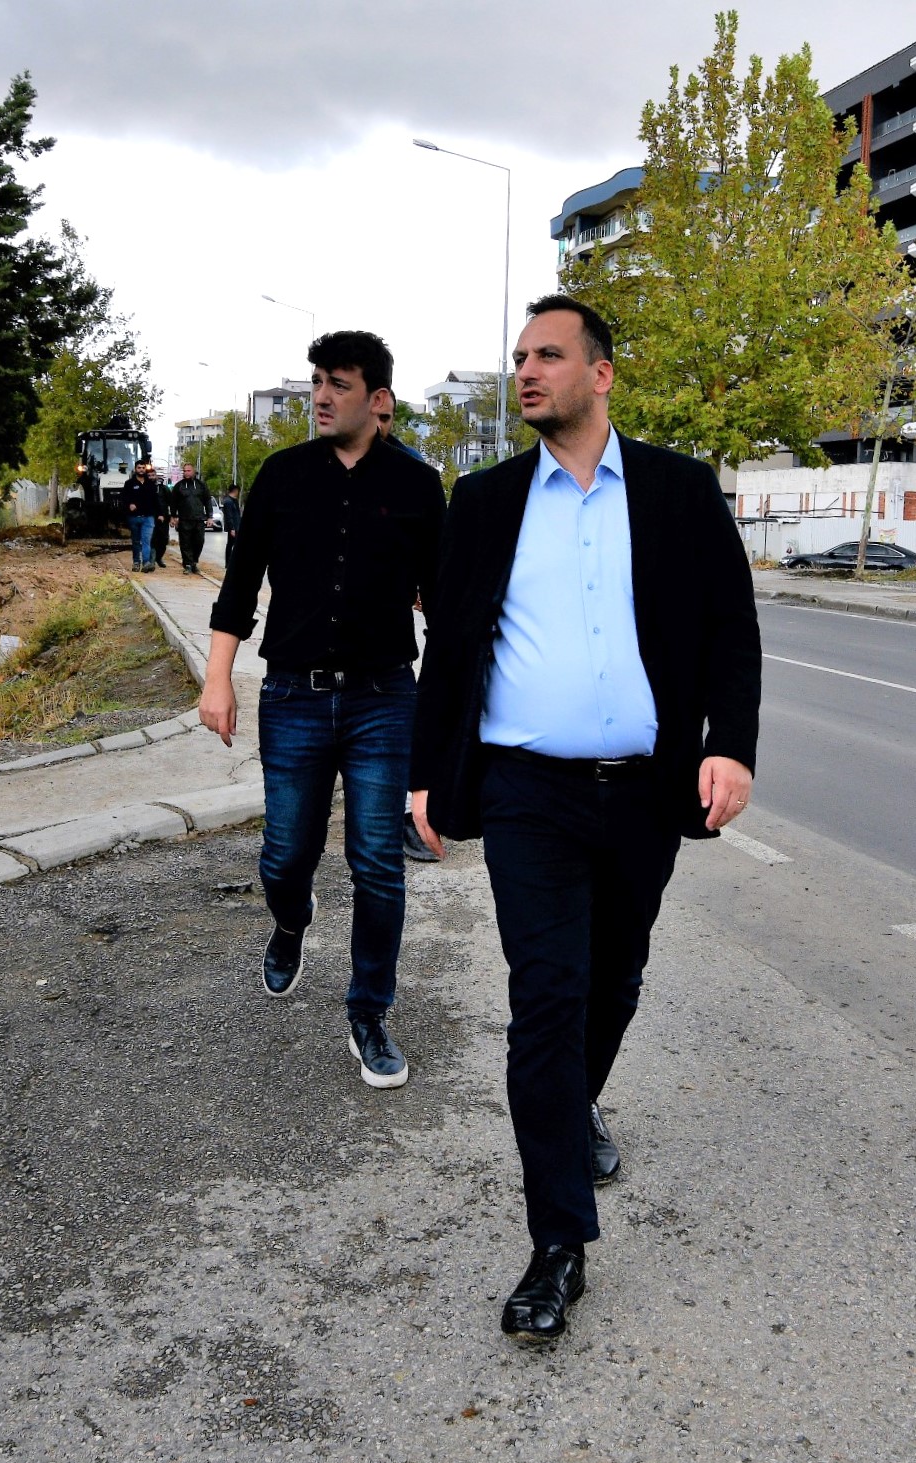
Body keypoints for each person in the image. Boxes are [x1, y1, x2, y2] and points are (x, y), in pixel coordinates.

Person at [408, 295, 761, 1343]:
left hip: (646, 788)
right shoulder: (482, 501)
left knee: (614, 978)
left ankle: (573, 1105)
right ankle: (556, 1242)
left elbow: (729, 629)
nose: (527, 371)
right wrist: (426, 776)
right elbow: (452, 649)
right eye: (519, 356)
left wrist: (729, 744)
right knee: (546, 1001)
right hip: (528, 792)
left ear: (601, 374)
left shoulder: (678, 492)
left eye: (548, 356)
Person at [199, 331, 445, 1089]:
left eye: (338, 383)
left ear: (379, 401)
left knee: (377, 862)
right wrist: (218, 678)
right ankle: (290, 918)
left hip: (382, 699)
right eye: (316, 381)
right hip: (292, 696)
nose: (320, 395)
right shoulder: (281, 476)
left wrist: (445, 719)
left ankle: (368, 1012)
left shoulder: (416, 483)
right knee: (285, 853)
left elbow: (442, 606)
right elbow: (240, 588)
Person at [373, 401, 441, 864]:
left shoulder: (412, 468)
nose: (378, 427)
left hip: (393, 642)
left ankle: (408, 817)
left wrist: (424, 593)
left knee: (404, 726)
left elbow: (432, 546)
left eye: (387, 418)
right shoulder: (315, 466)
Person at [168, 462, 216, 574]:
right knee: (185, 543)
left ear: (193, 472)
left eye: (188, 470)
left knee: (199, 541)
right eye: (184, 471)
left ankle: (194, 561)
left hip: (199, 519)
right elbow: (173, 503)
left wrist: (210, 517)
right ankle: (188, 565)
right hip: (184, 519)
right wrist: (173, 517)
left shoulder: (201, 485)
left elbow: (207, 501)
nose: (186, 473)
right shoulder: (179, 486)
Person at [118, 460, 161, 574]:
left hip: (148, 517)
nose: (141, 470)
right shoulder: (129, 484)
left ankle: (146, 562)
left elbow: (156, 500)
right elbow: (123, 498)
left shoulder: (150, 484)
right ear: (135, 469)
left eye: (143, 468)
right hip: (134, 517)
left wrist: (160, 513)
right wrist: (129, 505)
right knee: (136, 541)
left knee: (146, 540)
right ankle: (136, 562)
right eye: (139, 468)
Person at [147, 463, 174, 569]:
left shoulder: (163, 489)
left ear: (156, 476)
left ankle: (159, 558)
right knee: (152, 539)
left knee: (163, 540)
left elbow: (171, 502)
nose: (151, 478)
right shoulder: (145, 488)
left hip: (163, 519)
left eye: (153, 475)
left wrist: (172, 516)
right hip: (150, 518)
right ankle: (152, 560)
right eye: (149, 476)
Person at [219, 484, 242, 552]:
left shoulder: (234, 500)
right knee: (231, 544)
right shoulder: (228, 501)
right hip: (233, 527)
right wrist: (232, 528)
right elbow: (229, 516)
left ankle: (231, 560)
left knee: (233, 544)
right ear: (235, 491)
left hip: (236, 526)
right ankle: (229, 561)